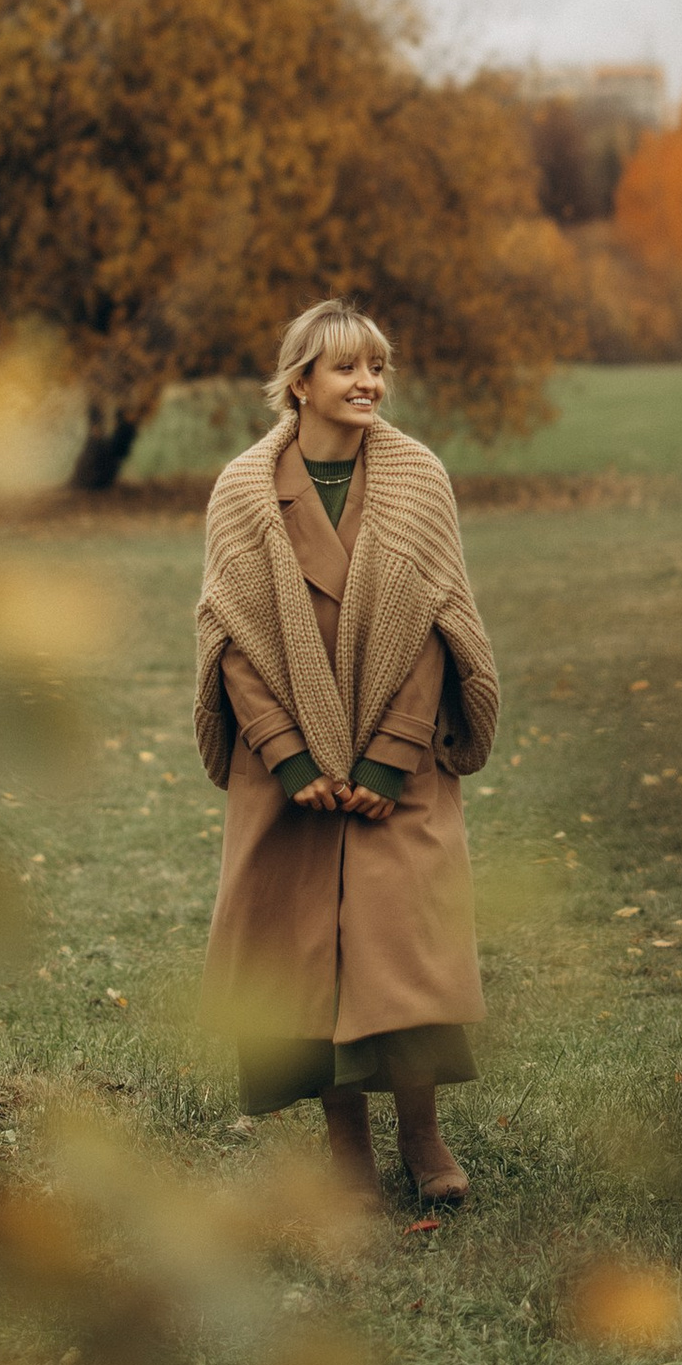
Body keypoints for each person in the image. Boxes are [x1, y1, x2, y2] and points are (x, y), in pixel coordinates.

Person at [192, 299, 501, 1205]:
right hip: (287, 773)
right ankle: (346, 1152)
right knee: (308, 964)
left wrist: (388, 759)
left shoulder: (418, 479)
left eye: (377, 367)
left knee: (403, 949)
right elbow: (231, 636)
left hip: (396, 766)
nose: (369, 382)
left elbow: (441, 624)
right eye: (347, 368)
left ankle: (424, 1138)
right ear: (300, 383)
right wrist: (291, 758)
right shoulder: (244, 490)